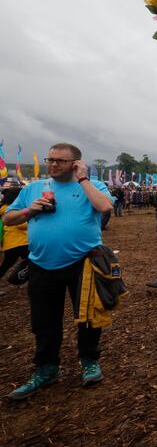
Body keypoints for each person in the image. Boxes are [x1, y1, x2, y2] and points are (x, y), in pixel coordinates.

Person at [3, 143, 113, 400]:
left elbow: (105, 207)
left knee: (87, 316)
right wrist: (31, 209)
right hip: (41, 264)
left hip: (83, 262)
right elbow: (8, 219)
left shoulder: (91, 186)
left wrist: (83, 178)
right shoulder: (33, 189)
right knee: (43, 320)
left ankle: (89, 361)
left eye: (60, 161)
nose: (53, 165)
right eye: (50, 159)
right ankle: (47, 368)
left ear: (76, 163)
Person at [0, 186, 29, 285]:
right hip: (20, 242)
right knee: (34, 260)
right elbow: (21, 225)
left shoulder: (3, 208)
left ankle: (20, 278)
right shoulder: (11, 209)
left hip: (10, 244)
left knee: (6, 265)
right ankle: (18, 278)